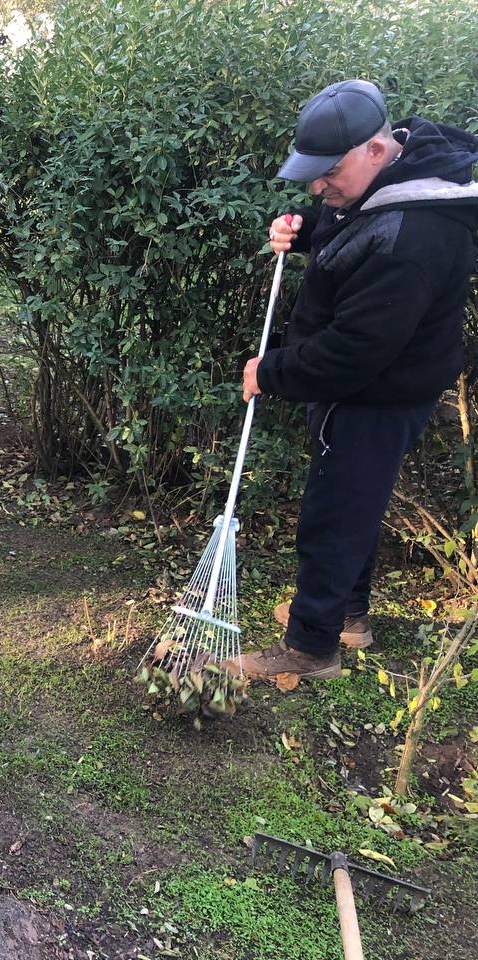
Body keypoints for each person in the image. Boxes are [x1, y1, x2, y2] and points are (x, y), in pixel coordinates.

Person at [237, 79, 478, 681]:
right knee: (356, 499)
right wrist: (308, 229)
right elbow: (355, 224)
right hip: (374, 383)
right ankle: (348, 615)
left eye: (327, 172)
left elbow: (357, 349)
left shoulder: (415, 238)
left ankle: (311, 647)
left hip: (375, 390)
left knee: (334, 512)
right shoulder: (394, 181)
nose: (318, 186)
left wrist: (272, 371)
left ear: (374, 149)